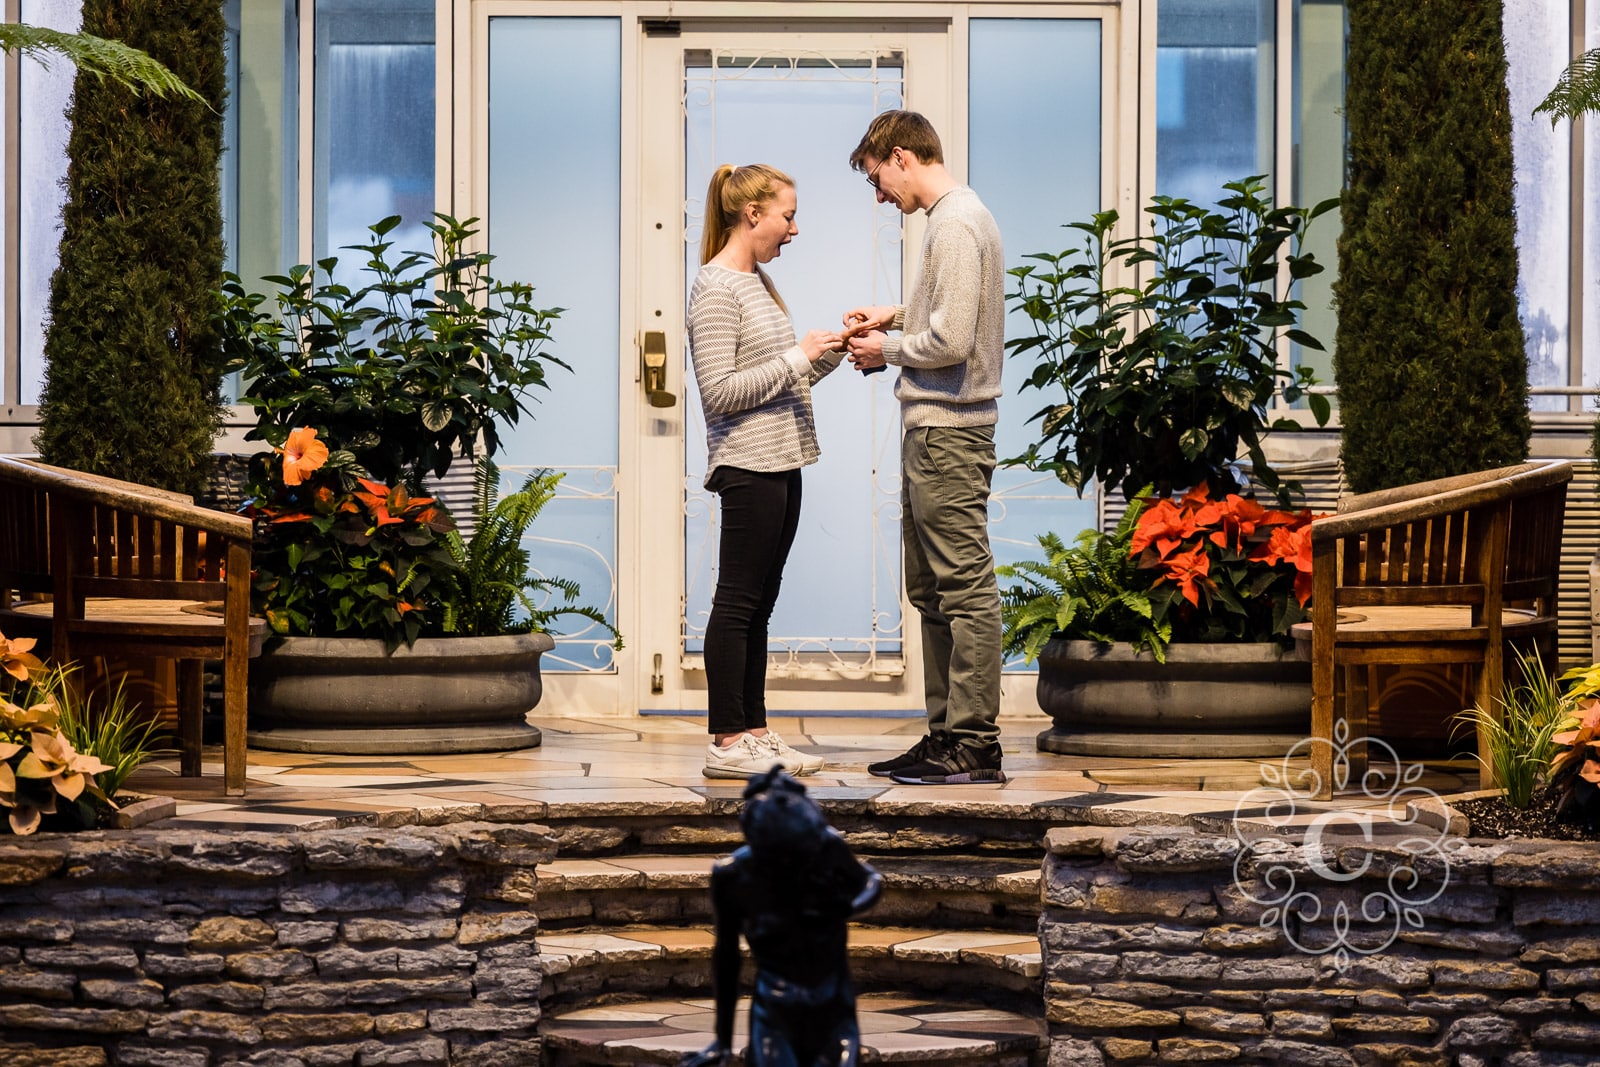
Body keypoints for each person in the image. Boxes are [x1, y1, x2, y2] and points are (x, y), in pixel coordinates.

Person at [842, 111, 1008, 785]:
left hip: (951, 431)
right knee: (932, 589)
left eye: (881, 180)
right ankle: (945, 735)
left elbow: (954, 342)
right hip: (935, 429)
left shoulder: (958, 222)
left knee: (964, 589)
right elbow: (944, 316)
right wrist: (895, 316)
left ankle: (973, 742)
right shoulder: (953, 220)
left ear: (903, 157)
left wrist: (886, 348)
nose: (882, 196)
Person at [689, 163, 841, 780]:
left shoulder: (759, 283)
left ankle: (753, 730)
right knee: (738, 600)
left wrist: (829, 352)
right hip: (747, 462)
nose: (794, 228)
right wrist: (796, 355)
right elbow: (720, 391)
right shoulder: (717, 286)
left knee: (761, 603)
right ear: (752, 214)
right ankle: (726, 739)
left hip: (782, 456)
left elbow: (781, 379)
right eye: (788, 214)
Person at [680, 768, 883, 1067]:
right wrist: (722, 1042)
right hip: (775, 1010)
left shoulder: (825, 848)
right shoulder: (733, 876)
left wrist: (847, 908)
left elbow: (872, 881)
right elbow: (727, 959)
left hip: (832, 1010)